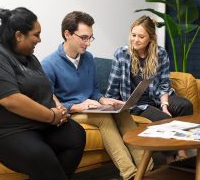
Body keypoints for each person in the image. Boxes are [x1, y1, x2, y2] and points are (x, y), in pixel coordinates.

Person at [0, 7, 86, 180]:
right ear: (19, 35)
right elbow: (11, 100)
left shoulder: (28, 55)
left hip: (34, 123)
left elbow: (45, 87)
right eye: (36, 34)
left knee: (75, 135)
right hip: (3, 130)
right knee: (41, 155)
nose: (39, 39)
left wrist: (59, 109)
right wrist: (51, 116)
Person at [41, 11, 153, 180]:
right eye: (83, 38)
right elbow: (48, 102)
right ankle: (130, 174)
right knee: (104, 119)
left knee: (122, 112)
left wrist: (103, 100)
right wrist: (77, 106)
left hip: (92, 107)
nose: (88, 43)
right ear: (67, 34)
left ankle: (148, 170)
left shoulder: (88, 58)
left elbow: (93, 90)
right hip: (72, 112)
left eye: (90, 38)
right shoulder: (49, 64)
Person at [105, 15, 193, 159]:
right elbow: (112, 88)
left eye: (141, 37)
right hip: (137, 105)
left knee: (185, 106)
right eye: (133, 35)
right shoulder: (121, 54)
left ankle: (181, 148)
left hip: (158, 98)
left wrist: (165, 105)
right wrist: (112, 105)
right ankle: (175, 157)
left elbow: (164, 84)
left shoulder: (160, 53)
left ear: (150, 38)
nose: (135, 40)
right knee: (163, 119)